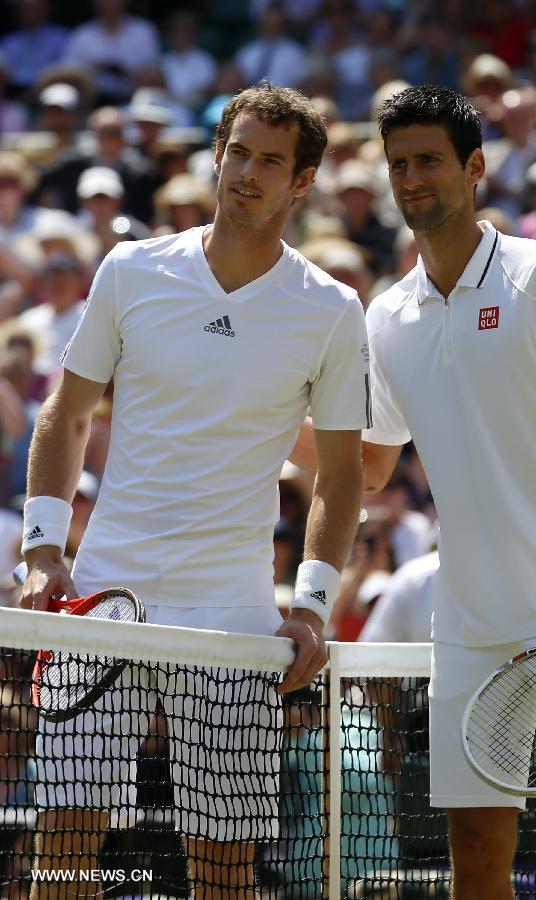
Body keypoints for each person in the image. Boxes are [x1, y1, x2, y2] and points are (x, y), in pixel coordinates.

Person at [290, 84, 536, 900]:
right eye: (397, 164)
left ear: (474, 169)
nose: (410, 178)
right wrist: (260, 427)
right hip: (465, 628)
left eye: (428, 160)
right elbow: (366, 468)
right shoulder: (386, 316)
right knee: (472, 850)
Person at [20, 85, 368, 899]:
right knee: (63, 848)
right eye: (237, 152)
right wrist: (42, 549)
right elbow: (66, 415)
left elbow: (344, 474)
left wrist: (313, 604)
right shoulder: (131, 269)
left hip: (232, 614)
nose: (246, 173)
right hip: (103, 597)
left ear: (303, 181)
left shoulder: (330, 308)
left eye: (270, 161)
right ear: (216, 156)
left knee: (223, 869)